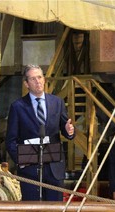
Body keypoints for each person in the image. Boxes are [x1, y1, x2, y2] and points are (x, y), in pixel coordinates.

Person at [5, 64, 75, 201]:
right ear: (26, 83)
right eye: (33, 79)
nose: (37, 81)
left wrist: (69, 131)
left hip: (54, 169)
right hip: (29, 170)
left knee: (55, 211)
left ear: (44, 79)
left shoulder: (57, 102)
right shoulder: (17, 107)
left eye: (39, 77)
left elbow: (67, 130)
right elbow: (10, 141)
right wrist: (21, 160)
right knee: (32, 209)